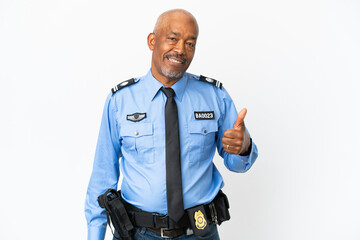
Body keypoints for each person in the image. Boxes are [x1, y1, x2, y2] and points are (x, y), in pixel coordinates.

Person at [85, 9, 258, 240]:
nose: (180, 50)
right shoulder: (121, 101)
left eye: (190, 43)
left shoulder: (215, 96)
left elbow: (237, 164)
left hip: (199, 232)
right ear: (152, 41)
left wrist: (244, 146)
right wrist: (94, 236)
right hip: (137, 233)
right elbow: (102, 177)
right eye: (173, 39)